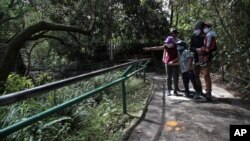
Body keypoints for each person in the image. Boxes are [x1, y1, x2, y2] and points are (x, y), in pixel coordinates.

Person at [190, 21, 216, 101]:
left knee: (206, 75)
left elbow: (214, 47)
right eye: (196, 28)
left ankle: (208, 93)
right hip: (197, 58)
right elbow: (190, 47)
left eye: (198, 28)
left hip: (207, 58)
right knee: (196, 75)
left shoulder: (209, 35)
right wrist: (196, 49)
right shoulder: (194, 36)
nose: (196, 30)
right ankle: (199, 91)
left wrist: (206, 52)